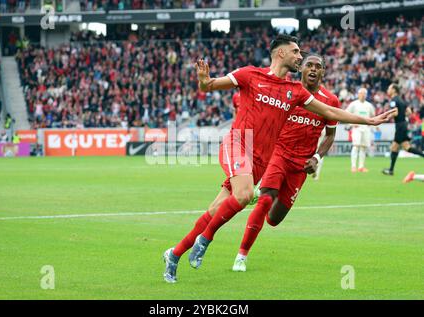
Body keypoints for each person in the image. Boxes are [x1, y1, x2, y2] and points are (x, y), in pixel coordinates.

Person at [163, 35, 396, 283]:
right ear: (281, 53)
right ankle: (205, 240)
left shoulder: (294, 91)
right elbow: (209, 85)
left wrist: (369, 120)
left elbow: (329, 111)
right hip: (240, 144)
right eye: (296, 52)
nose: (300, 57)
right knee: (244, 195)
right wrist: (203, 80)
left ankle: (174, 255)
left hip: (261, 160)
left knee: (216, 209)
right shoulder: (249, 74)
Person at [231, 54, 338, 272]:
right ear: (302, 69)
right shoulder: (287, 92)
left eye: (318, 66)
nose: (313, 69)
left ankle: (262, 194)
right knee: (266, 200)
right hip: (278, 153)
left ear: (323, 72)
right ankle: (241, 255)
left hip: (301, 164)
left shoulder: (330, 101)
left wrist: (317, 157)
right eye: (309, 65)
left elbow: (330, 134)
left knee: (274, 219)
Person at [382, 84, 424, 176]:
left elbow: (395, 112)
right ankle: (391, 170)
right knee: (406, 147)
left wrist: (386, 116)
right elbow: (409, 111)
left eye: (389, 88)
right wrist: (404, 117)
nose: (388, 90)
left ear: (393, 90)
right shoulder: (402, 100)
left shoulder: (393, 100)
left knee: (395, 146)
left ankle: (391, 170)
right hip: (404, 124)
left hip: (400, 126)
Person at [346, 88, 375, 173]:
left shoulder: (369, 105)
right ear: (358, 94)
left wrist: (371, 123)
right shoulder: (353, 104)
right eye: (361, 93)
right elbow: (346, 114)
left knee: (363, 147)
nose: (363, 95)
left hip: (366, 128)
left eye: (364, 94)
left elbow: (373, 115)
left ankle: (361, 167)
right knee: (356, 146)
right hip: (356, 128)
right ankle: (353, 166)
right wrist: (351, 124)